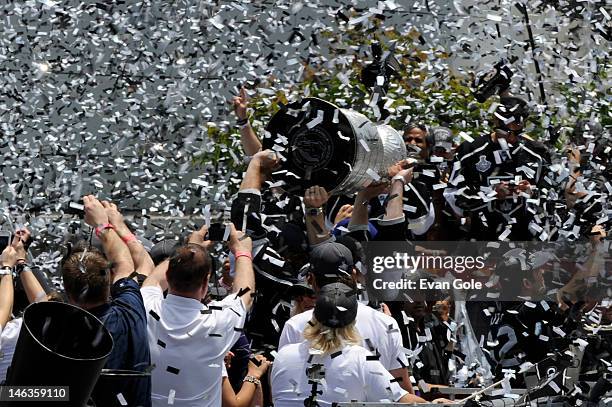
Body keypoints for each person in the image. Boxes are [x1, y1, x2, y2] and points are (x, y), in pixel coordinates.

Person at [140, 222, 254, 407]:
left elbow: (153, 280)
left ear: (169, 277)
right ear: (206, 282)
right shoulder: (219, 320)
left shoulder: (147, 308)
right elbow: (245, 293)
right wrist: (242, 252)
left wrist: (191, 248)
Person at [278, 242, 414, 394]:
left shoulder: (294, 325)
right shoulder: (386, 323)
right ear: (354, 275)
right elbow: (402, 389)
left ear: (311, 279)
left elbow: (283, 387)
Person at [272, 283, 433, 405]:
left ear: (314, 316)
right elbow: (401, 399)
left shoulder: (283, 356)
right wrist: (433, 404)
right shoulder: (361, 358)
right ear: (353, 322)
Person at [62, 196, 153, 407]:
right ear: (109, 281)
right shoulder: (130, 310)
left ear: (67, 291)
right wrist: (104, 224)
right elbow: (124, 265)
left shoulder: (59, 334)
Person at [446, 96, 551, 241]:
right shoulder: (471, 150)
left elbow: (548, 196)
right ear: (495, 121)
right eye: (507, 132)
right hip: (481, 237)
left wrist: (530, 191)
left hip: (522, 239)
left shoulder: (535, 154)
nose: (512, 138)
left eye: (517, 133)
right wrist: (491, 194)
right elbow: (452, 193)